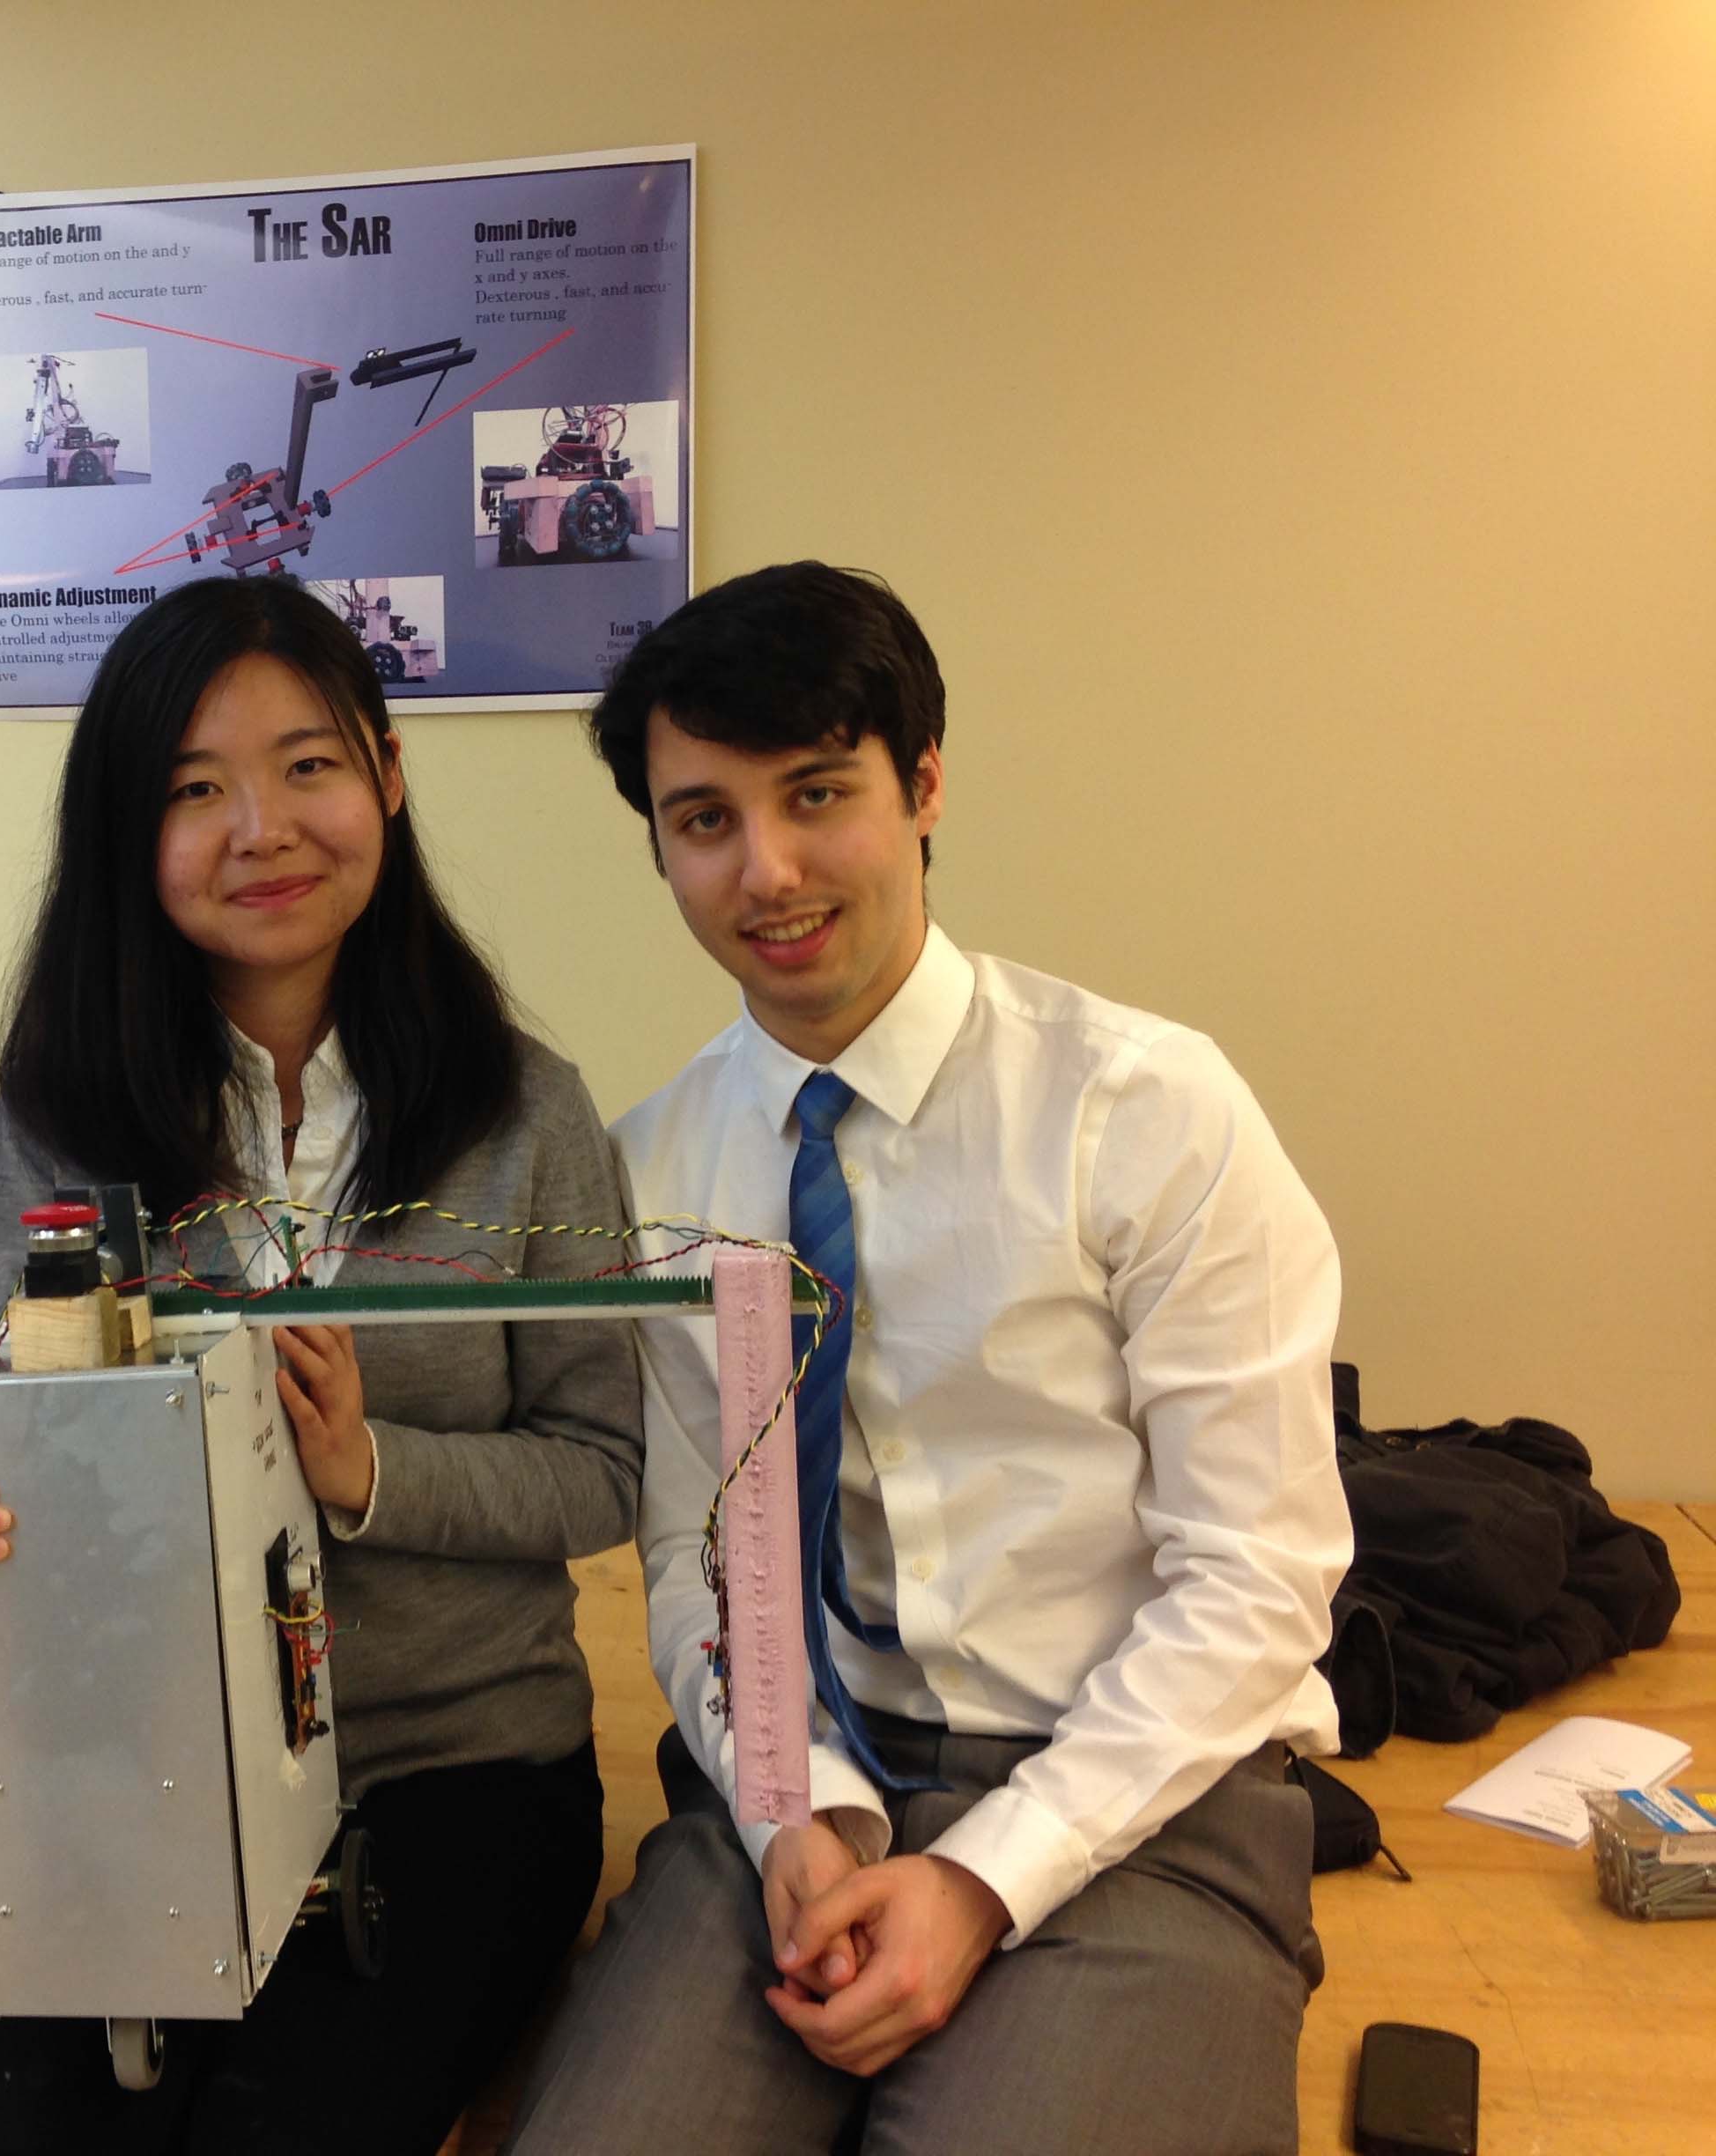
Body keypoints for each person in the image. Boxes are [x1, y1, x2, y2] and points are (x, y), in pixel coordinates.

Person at [509, 564, 1350, 2156]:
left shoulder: (1145, 1112)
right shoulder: (658, 1169)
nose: (767, 870)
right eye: (704, 820)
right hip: (802, 1782)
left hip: (1138, 1794)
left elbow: (1259, 1578)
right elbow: (699, 1561)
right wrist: (794, 1807)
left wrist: (984, 1877)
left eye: (818, 793)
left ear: (926, 785)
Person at [0, 575, 642, 2155]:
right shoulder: (61, 1119)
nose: (261, 830)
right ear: (125, 834)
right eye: (192, 791)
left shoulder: (525, 1110)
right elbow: (37, 1445)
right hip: (143, 1767)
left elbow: (607, 1469)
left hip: (457, 1770)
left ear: (388, 778)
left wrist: (369, 1473)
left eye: (308, 767)